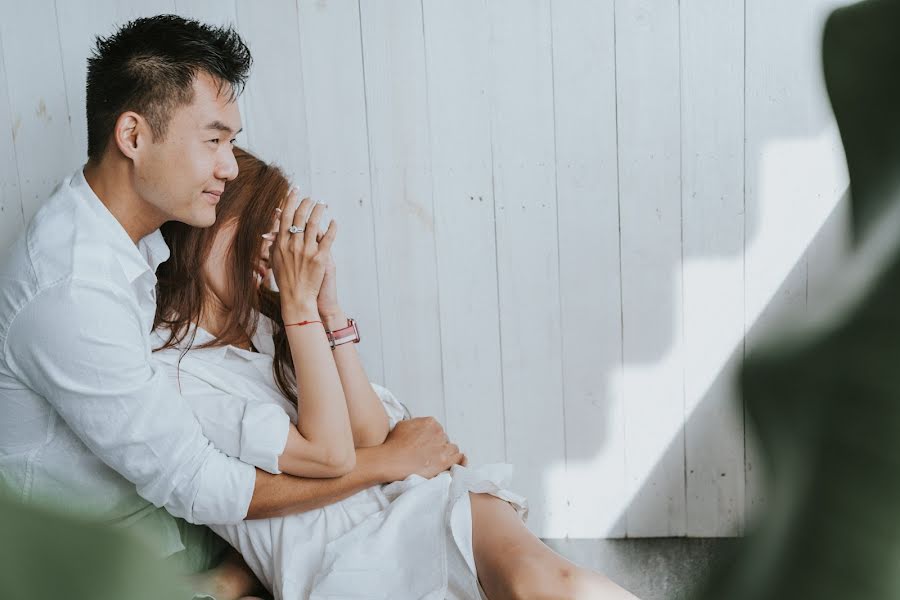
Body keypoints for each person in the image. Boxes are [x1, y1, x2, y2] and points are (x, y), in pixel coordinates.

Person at [0, 15, 463, 599]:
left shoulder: (129, 234)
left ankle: (232, 576)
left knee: (380, 524)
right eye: (213, 140)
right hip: (85, 553)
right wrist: (389, 461)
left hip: (155, 520)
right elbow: (199, 484)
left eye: (232, 143)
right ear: (133, 136)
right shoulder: (71, 291)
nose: (227, 165)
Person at [151, 146, 640, 600]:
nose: (271, 251)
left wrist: (329, 312)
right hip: (344, 561)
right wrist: (300, 309)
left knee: (549, 580)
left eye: (277, 234)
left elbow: (370, 432)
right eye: (257, 229)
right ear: (204, 225)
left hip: (419, 501)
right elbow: (329, 453)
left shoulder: (264, 323)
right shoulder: (174, 370)